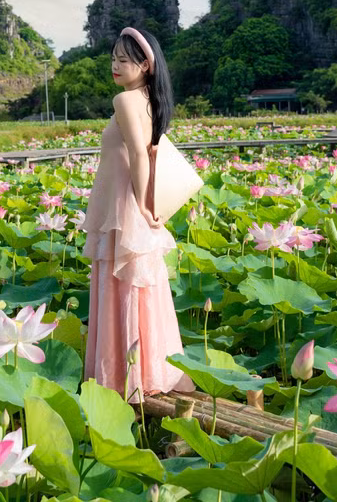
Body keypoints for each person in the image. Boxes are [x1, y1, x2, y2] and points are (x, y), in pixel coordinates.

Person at [82, 26, 192, 401]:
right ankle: (148, 370)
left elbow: (139, 156)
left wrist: (146, 208)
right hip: (128, 204)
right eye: (113, 58)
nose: (115, 65)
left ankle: (122, 378)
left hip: (123, 207)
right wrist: (149, 206)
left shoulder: (125, 101)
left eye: (124, 60)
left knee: (122, 288)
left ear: (145, 65)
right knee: (139, 291)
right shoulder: (146, 99)